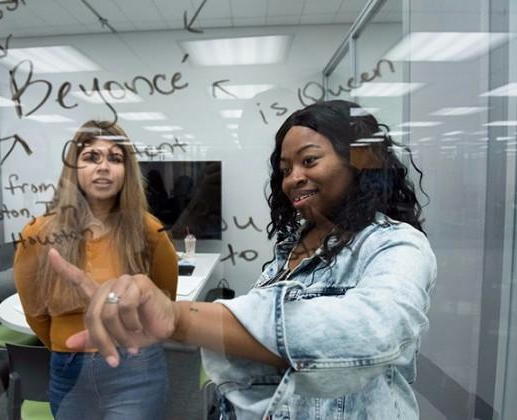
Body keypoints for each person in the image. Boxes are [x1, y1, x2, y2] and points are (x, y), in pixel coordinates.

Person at [48, 101, 437, 419]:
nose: (293, 178)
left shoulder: (398, 246)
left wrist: (180, 318)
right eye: (285, 170)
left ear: (361, 161)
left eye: (310, 160)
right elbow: (262, 354)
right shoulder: (294, 247)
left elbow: (369, 331)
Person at [12, 120, 178, 419]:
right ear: (73, 167)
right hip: (67, 368)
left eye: (115, 158)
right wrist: (65, 344)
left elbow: (166, 300)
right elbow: (35, 311)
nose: (103, 167)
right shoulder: (38, 234)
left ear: (127, 170)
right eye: (91, 157)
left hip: (136, 368)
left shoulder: (150, 232)